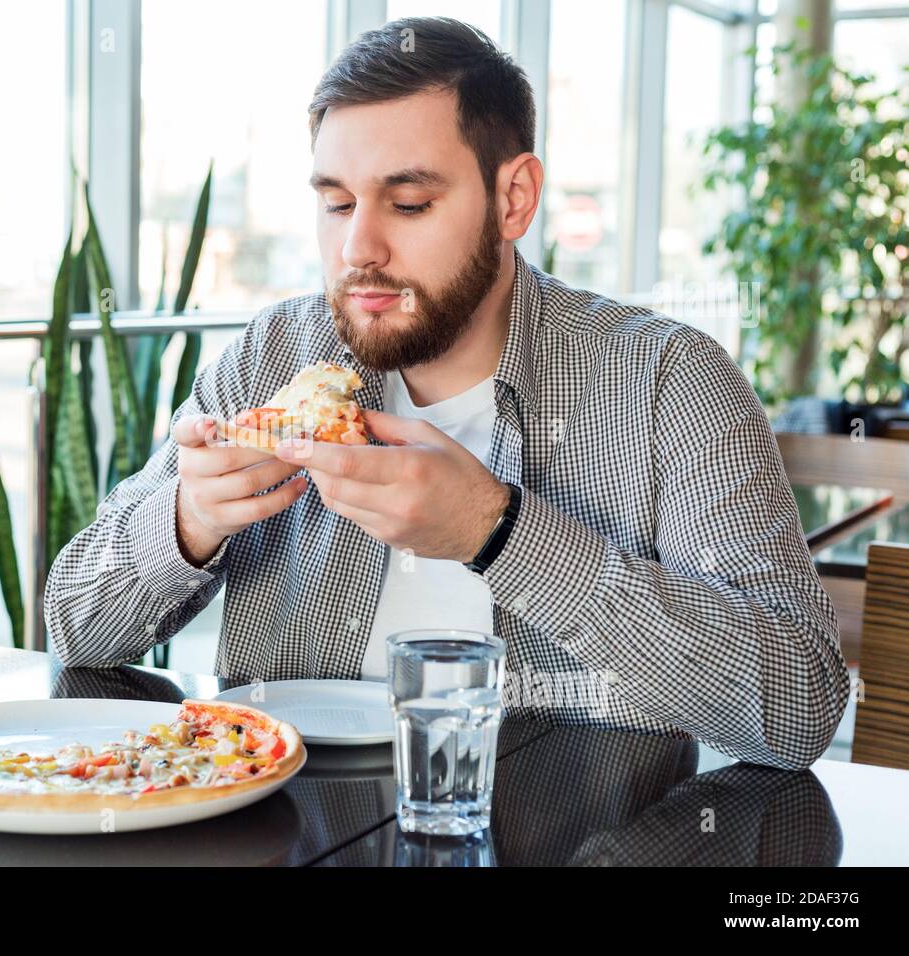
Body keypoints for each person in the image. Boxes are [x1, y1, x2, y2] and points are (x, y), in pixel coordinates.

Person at [44, 16, 849, 770]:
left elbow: (799, 703)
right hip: (289, 825)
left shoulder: (670, 382)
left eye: (410, 204)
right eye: (334, 202)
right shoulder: (273, 356)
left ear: (514, 198)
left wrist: (495, 532)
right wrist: (190, 521)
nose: (358, 247)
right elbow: (73, 624)